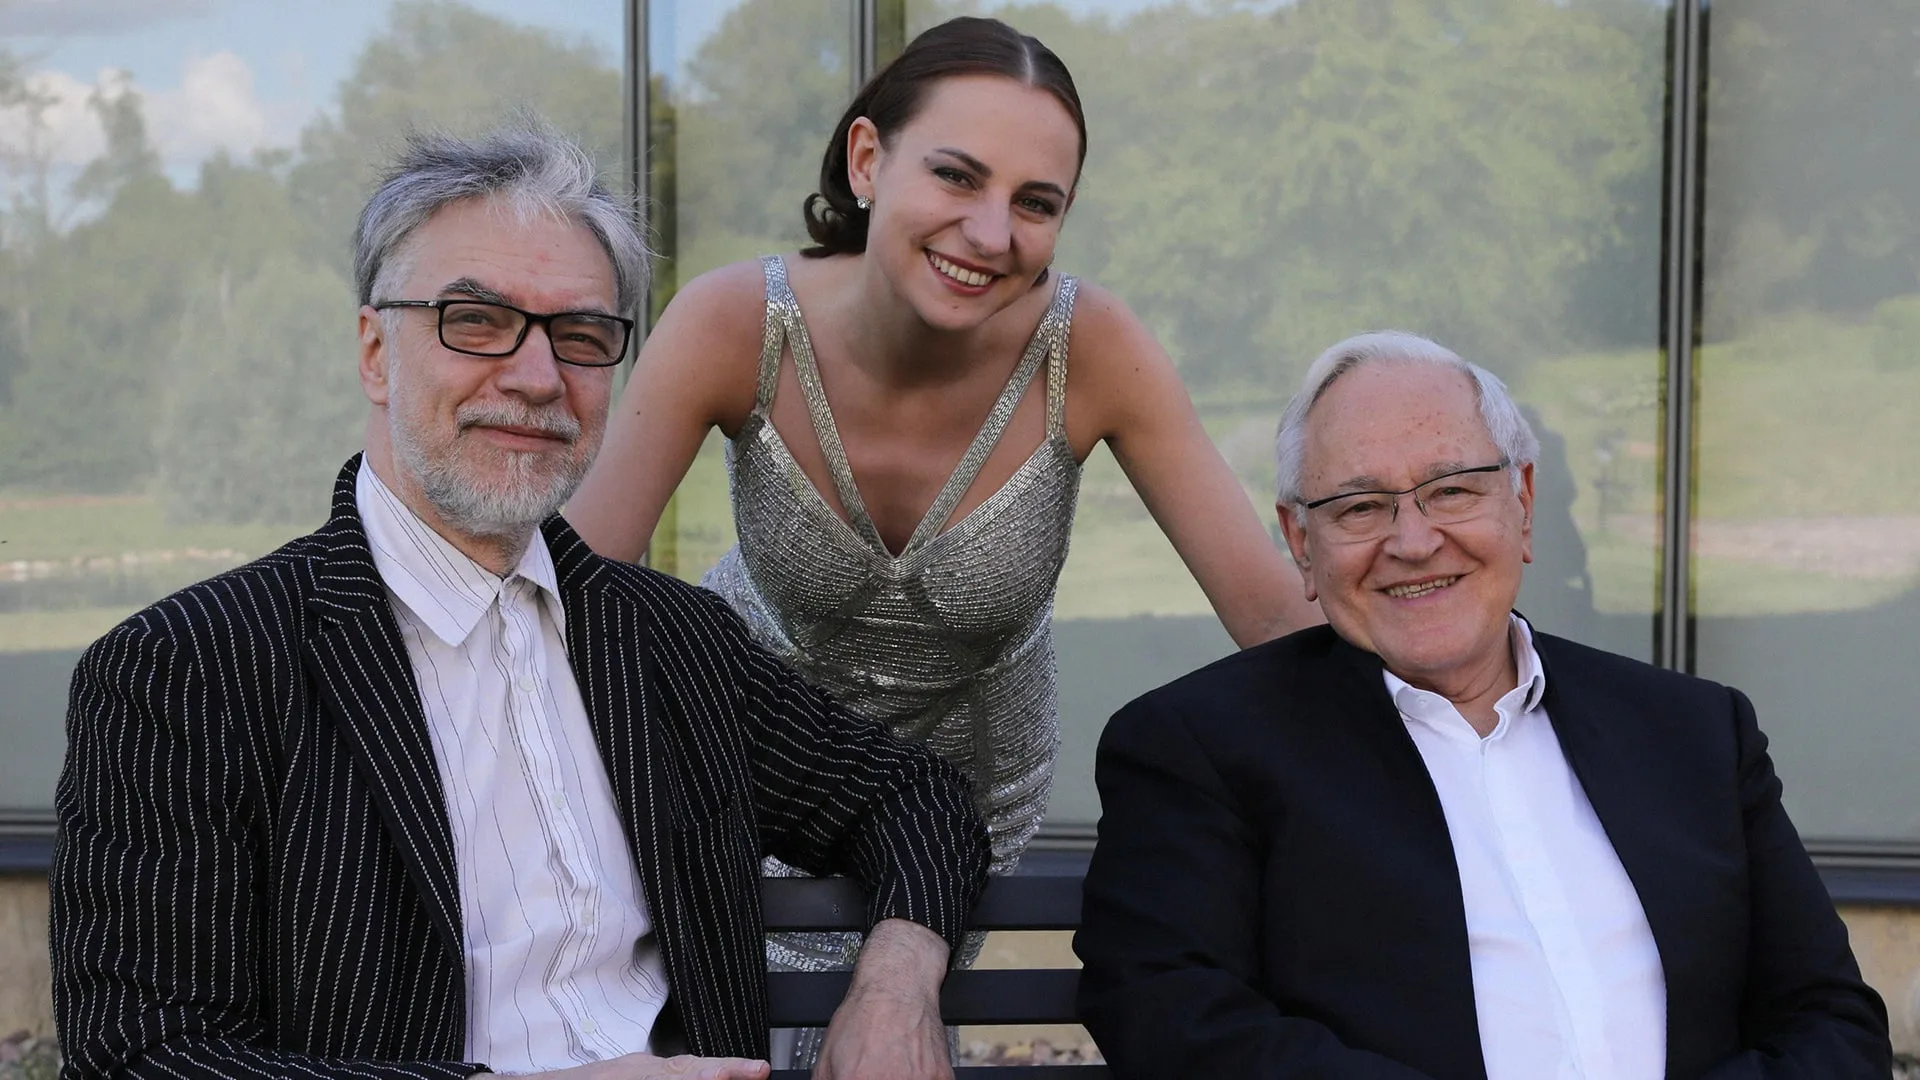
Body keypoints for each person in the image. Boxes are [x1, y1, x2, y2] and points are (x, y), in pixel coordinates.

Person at [49, 123, 990, 1080]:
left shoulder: (669, 640)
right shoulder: (189, 672)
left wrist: (894, 984)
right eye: (475, 320)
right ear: (374, 351)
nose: (539, 378)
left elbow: (914, 798)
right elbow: (145, 1058)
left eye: (581, 336)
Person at [565, 19, 1319, 1060]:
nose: (991, 232)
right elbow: (574, 600)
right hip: (754, 771)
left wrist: (1449, 716)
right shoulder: (736, 324)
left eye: (1036, 203)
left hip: (973, 787)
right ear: (867, 159)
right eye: (956, 176)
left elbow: (1275, 620)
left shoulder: (1092, 349)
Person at [1073, 331, 1891, 1078]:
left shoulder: (1695, 732)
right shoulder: (1199, 748)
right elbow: (1169, 1012)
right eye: (1360, 507)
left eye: (1453, 490)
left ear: (1523, 503)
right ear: (1301, 544)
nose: (1414, 541)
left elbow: (1830, 1023)